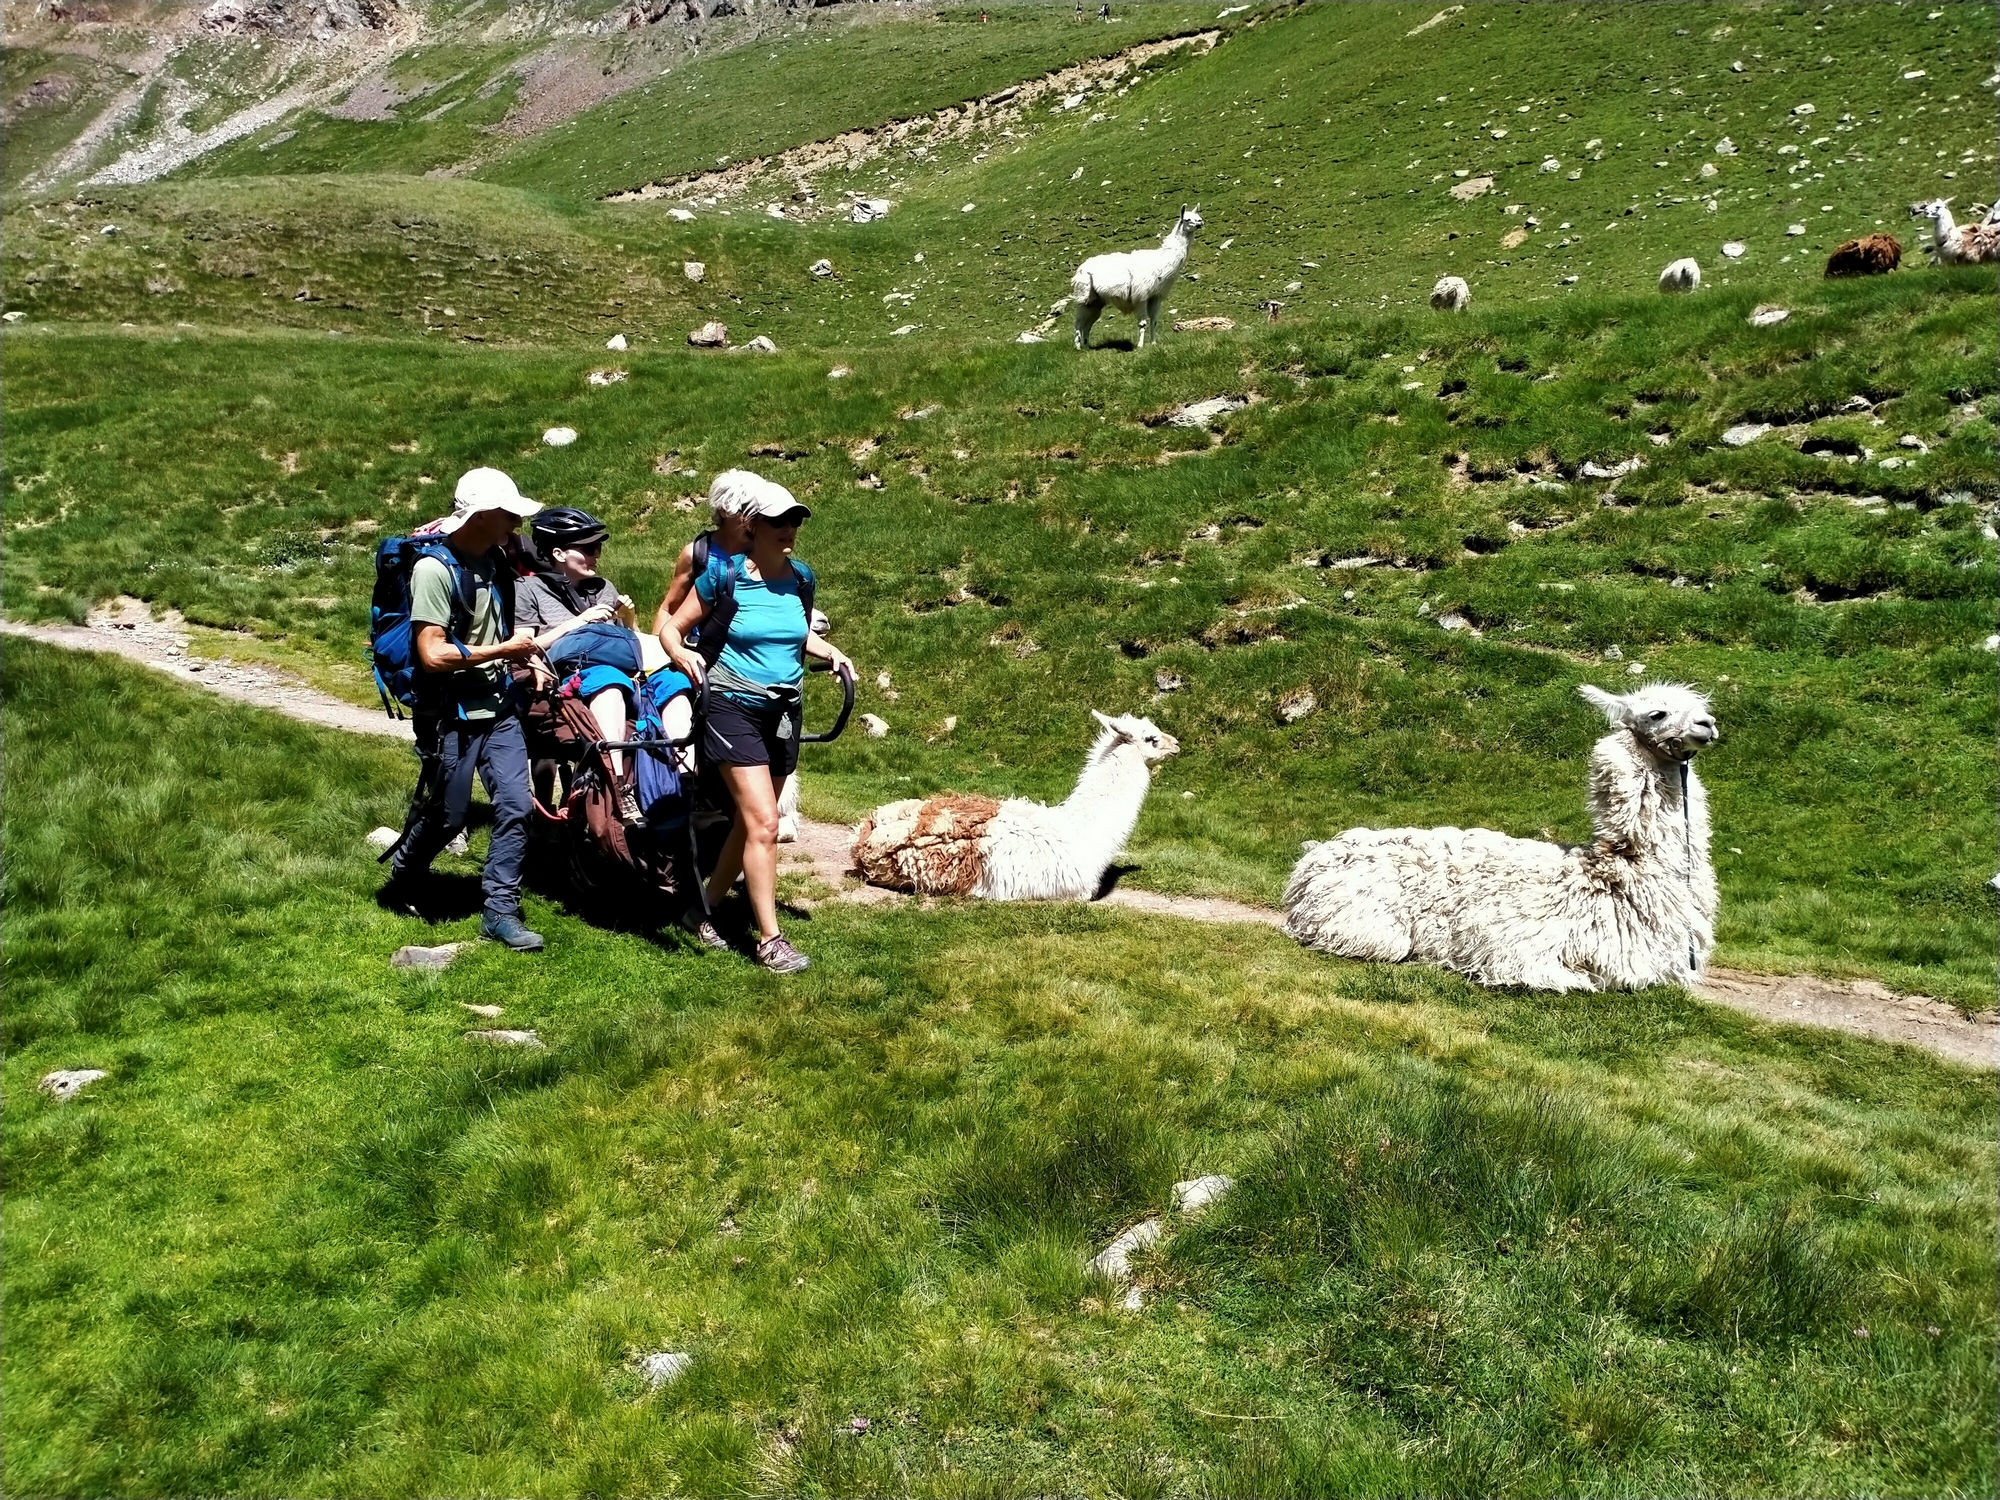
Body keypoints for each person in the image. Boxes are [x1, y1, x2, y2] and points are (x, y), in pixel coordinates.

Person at [660, 480, 853, 973]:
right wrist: (681, 654)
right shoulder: (723, 578)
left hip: (784, 711)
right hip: (730, 707)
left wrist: (829, 651)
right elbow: (671, 627)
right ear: (753, 525)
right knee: (766, 822)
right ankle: (770, 940)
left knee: (751, 822)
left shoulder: (802, 578)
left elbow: (795, 632)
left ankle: (699, 909)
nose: (789, 529)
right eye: (779, 521)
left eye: (796, 520)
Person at [381, 468, 547, 951]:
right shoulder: (433, 571)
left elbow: (544, 558)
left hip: (499, 708)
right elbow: (432, 655)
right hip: (449, 713)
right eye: (509, 512)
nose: (517, 521)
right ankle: (406, 870)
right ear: (484, 515)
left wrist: (520, 657)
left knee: (516, 807)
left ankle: (500, 911)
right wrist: (507, 651)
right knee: (449, 816)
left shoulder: (497, 556)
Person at [516, 506, 649, 824]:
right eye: (588, 548)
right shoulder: (528, 589)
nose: (596, 555)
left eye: (598, 547)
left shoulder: (603, 588)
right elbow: (524, 646)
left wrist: (629, 622)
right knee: (607, 681)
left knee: (659, 684)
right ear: (558, 552)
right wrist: (579, 622)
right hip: (559, 684)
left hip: (614, 678)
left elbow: (627, 647)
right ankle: (619, 789)